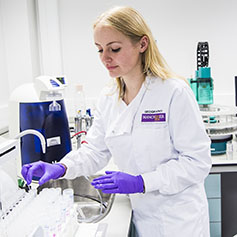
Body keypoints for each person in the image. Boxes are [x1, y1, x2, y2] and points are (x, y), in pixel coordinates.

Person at [21, 6, 212, 237]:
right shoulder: (109, 98)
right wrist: (61, 167)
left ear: (142, 44)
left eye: (114, 48)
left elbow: (197, 162)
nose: (105, 58)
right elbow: (95, 151)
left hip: (180, 220)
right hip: (143, 217)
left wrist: (141, 182)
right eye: (100, 49)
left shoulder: (173, 92)